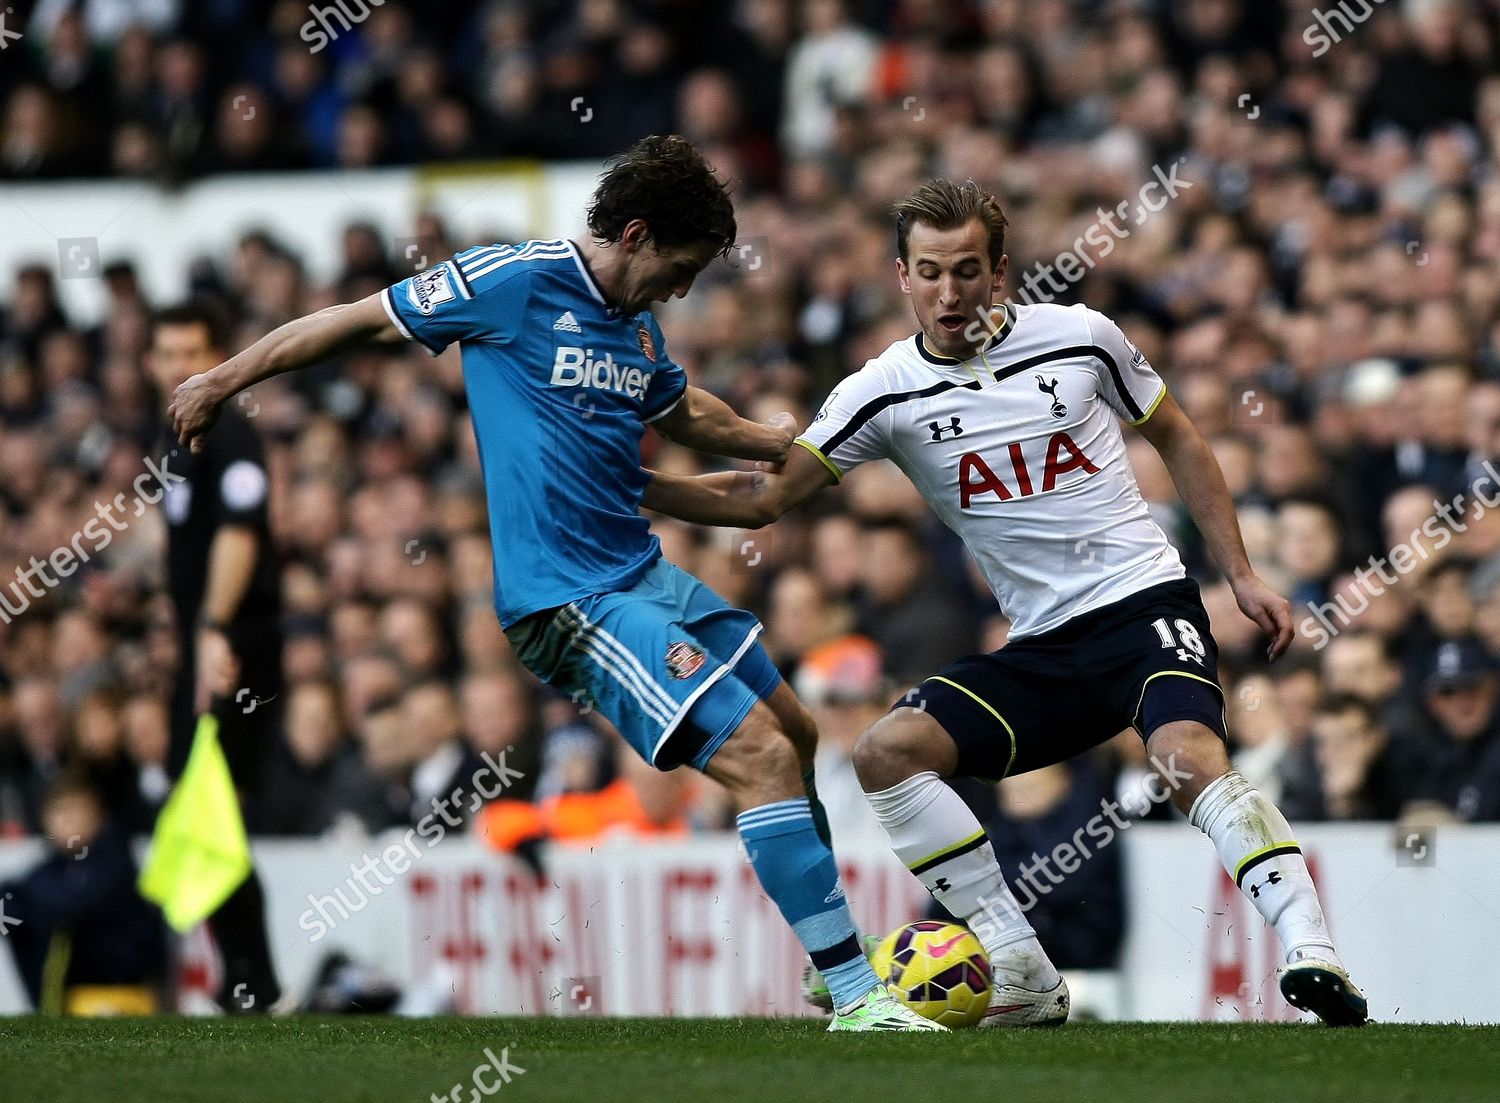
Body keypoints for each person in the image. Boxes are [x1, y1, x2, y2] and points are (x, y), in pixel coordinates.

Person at [167, 134, 936, 1031]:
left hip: (642, 572)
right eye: (681, 267)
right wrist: (223, 378)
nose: (684, 289)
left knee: (798, 731)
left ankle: (826, 960)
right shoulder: (513, 282)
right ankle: (853, 992)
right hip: (569, 598)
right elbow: (354, 321)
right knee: (759, 755)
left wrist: (787, 445)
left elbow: (683, 410)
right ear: (638, 235)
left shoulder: (637, 325)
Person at [644, 178, 1369, 1027]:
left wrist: (1240, 573)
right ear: (902, 277)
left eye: (967, 270)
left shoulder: (1083, 340)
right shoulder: (881, 392)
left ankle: (1312, 949)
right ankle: (1020, 964)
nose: (949, 294)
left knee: (1184, 755)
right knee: (887, 752)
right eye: (930, 272)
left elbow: (1178, 435)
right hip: (1045, 649)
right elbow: (764, 499)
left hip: (1143, 605)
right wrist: (632, 484)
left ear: (1000, 272)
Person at [148, 302, 282, 1013]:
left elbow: (240, 535)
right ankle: (246, 979)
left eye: (190, 353)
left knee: (210, 806)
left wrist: (212, 630)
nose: (178, 367)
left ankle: (253, 981)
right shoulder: (180, 437)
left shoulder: (229, 433)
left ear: (216, 355)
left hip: (232, 646)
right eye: (166, 354)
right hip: (209, 638)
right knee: (203, 806)